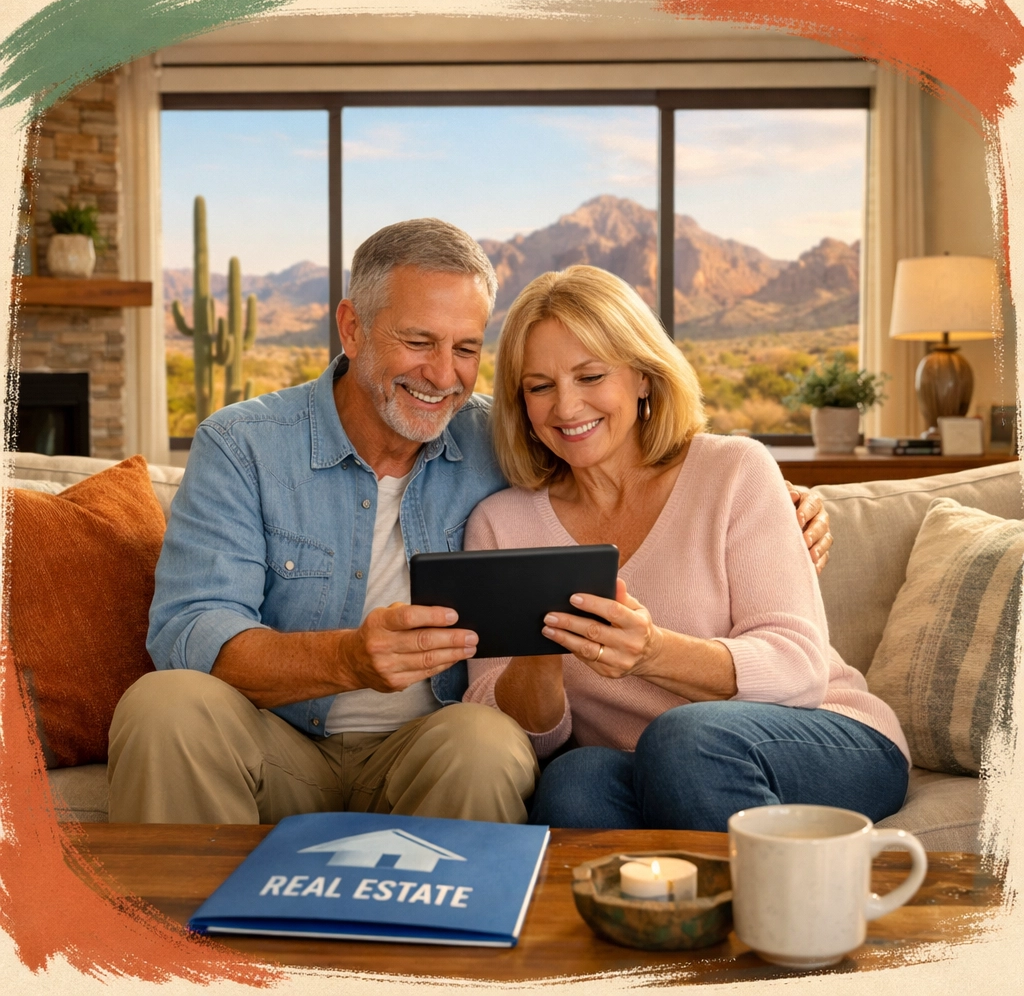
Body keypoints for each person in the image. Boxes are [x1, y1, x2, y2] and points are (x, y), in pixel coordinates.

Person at [107, 219, 833, 826]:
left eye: (465, 349)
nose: (442, 375)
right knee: (165, 703)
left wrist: (781, 500)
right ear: (352, 328)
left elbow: (625, 453)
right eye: (418, 342)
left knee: (487, 742)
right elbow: (191, 628)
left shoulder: (504, 440)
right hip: (280, 743)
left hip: (436, 746)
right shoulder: (245, 445)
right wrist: (348, 660)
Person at [462, 264, 910, 832]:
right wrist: (537, 655)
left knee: (684, 738)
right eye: (540, 386)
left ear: (643, 377)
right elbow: (526, 735)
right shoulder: (500, 526)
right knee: (573, 784)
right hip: (649, 762)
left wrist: (651, 652)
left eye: (591, 376)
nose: (567, 407)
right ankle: (672, 921)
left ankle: (779, 917)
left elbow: (800, 670)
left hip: (821, 733)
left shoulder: (733, 471)